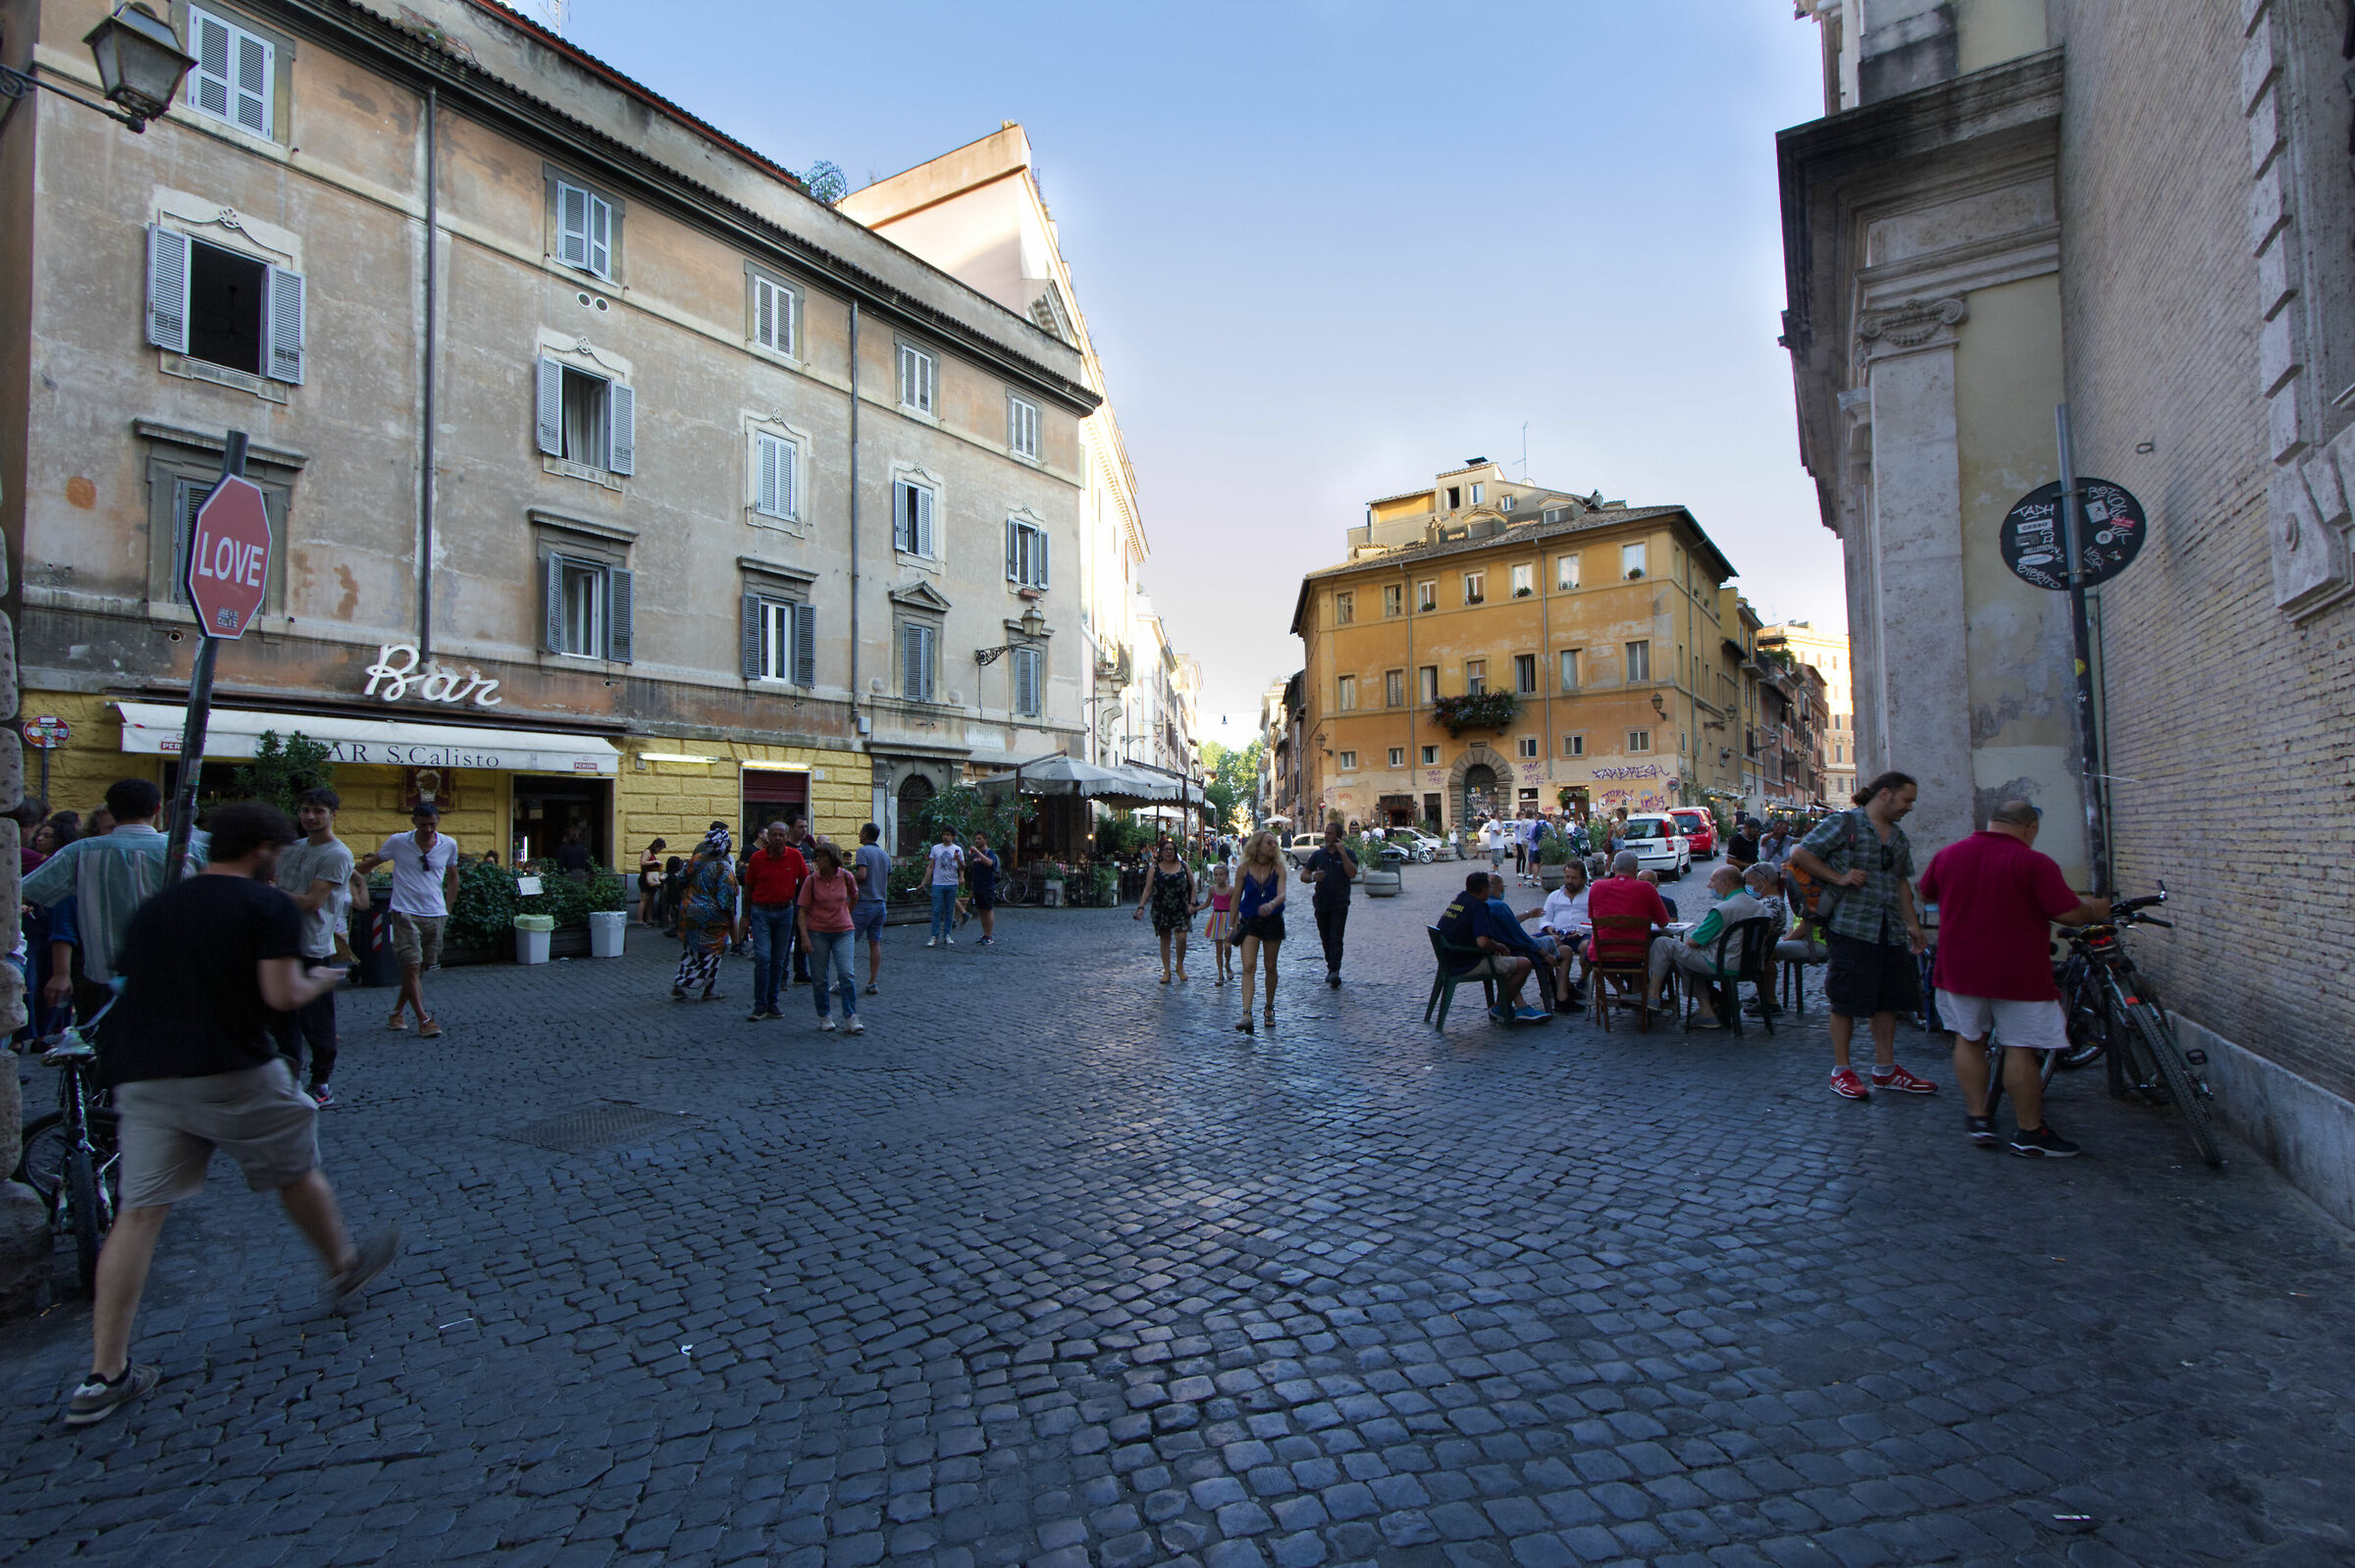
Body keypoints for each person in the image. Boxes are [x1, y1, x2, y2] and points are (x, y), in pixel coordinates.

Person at [65, 802, 398, 1427]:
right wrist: (321, 981)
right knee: (296, 1169)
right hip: (233, 1068)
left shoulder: (161, 905)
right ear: (265, 852)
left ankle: (103, 1371)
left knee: (137, 1216)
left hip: (144, 1073)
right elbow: (280, 994)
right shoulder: (266, 905)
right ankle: (343, 1268)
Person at [1919, 801, 2111, 1157]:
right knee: (2020, 1047)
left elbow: (1928, 892)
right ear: (2029, 828)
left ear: (1992, 823)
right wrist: (2095, 910)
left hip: (1959, 966)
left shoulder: (1949, 855)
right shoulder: (2035, 863)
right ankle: (2029, 1131)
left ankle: (1978, 1118)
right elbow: (2068, 914)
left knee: (1968, 1038)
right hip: (2019, 971)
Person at [1790, 770, 1937, 1101]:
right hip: (1850, 925)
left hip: (1889, 929)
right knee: (1845, 1001)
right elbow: (1801, 853)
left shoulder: (1898, 838)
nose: (1909, 807)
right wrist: (1838, 877)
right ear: (1885, 794)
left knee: (1888, 1001)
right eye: (1906, 800)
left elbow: (1901, 882)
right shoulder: (1845, 824)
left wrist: (1912, 924)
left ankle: (1885, 1070)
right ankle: (1841, 1071)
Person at [26, 779, 207, 1028]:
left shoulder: (79, 853)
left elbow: (27, 891)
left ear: (111, 809)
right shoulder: (190, 852)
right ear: (157, 809)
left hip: (102, 978)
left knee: (103, 1053)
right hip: (174, 977)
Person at [271, 788, 353, 1108]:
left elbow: (310, 902)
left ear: (333, 814)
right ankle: (289, 1080)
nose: (309, 816)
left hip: (312, 945)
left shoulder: (336, 854)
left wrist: (269, 892)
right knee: (282, 1018)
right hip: (282, 942)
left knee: (316, 1022)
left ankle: (321, 1083)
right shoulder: (293, 848)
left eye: (318, 811)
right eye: (305, 810)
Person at [354, 804, 459, 1039]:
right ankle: (424, 1019)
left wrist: (448, 907)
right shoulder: (398, 842)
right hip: (404, 911)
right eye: (423, 825)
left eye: (432, 824)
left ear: (438, 820)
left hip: (435, 913)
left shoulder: (448, 844)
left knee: (418, 968)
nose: (428, 829)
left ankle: (397, 1013)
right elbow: (373, 863)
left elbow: (453, 877)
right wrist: (349, 875)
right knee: (411, 965)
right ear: (414, 822)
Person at [1643, 864, 1769, 1026]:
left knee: (1663, 943)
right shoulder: (1760, 908)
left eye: (1713, 880)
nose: (1709, 885)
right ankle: (1707, 1010)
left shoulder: (1722, 909)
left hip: (1722, 962)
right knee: (1683, 960)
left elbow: (1693, 942)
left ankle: (1653, 994)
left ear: (1726, 883)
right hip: (1750, 964)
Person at [1435, 870, 1544, 1024]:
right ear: (1485, 890)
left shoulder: (1459, 900)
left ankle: (1517, 1005)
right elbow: (1483, 942)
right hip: (1466, 962)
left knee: (1502, 961)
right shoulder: (1480, 907)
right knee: (1524, 964)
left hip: (1448, 958)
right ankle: (1501, 1007)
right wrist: (1500, 947)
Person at [740, 821, 807, 1022]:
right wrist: (746, 915)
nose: (777, 838)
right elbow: (749, 888)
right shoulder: (757, 858)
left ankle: (772, 1002)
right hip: (761, 911)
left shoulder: (795, 856)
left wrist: (802, 907)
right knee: (762, 957)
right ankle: (759, 1004)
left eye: (781, 835)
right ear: (767, 837)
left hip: (785, 911)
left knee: (779, 959)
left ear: (786, 837)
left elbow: (806, 881)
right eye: (774, 835)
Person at [797, 841, 862, 1033]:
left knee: (846, 974)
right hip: (817, 932)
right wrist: (804, 938)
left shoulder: (846, 877)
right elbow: (802, 911)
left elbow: (854, 896)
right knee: (819, 978)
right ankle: (824, 1015)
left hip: (843, 931)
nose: (818, 860)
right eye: (817, 857)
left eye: (822, 857)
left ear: (833, 858)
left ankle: (851, 1016)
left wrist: (847, 913)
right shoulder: (812, 880)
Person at [1487, 874, 1575, 1014]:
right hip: (1515, 949)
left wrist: (1528, 915)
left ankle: (1559, 991)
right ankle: (1562, 994)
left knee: (1561, 947)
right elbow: (1519, 936)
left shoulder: (1484, 904)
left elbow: (1510, 924)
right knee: (1561, 945)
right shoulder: (1499, 906)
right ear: (1500, 887)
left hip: (1503, 948)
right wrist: (1544, 954)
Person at [1231, 831, 1288, 1034]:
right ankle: (1246, 1013)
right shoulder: (1244, 869)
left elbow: (1282, 893)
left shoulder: (1279, 869)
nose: (1273, 845)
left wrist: (1272, 904)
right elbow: (1236, 897)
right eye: (1268, 842)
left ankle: (1269, 1007)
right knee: (1248, 966)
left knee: (1270, 966)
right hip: (1250, 921)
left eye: (1275, 842)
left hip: (1273, 920)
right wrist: (1231, 925)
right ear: (1257, 845)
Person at [668, 830, 736, 1002]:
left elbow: (681, 880)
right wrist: (729, 917)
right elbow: (725, 897)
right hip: (712, 915)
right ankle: (708, 990)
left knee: (691, 949)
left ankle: (680, 983)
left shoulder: (697, 859)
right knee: (712, 952)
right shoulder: (723, 867)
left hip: (690, 909)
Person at [1299, 822, 1358, 988]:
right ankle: (1330, 966)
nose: (1326, 836)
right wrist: (1312, 878)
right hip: (1321, 902)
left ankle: (1335, 970)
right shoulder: (1318, 855)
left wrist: (1343, 854)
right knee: (1325, 937)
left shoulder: (1349, 854)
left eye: (1330, 833)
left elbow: (1352, 873)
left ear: (1338, 836)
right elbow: (1303, 875)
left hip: (1340, 902)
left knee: (1336, 937)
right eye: (1326, 833)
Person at [1133, 839, 1198, 983]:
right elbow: (1148, 889)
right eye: (1166, 849)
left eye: (1171, 849)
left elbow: (1193, 885)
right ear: (1161, 852)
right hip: (1161, 908)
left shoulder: (1183, 866)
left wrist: (1192, 903)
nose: (1169, 852)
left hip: (1181, 907)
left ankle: (1179, 966)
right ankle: (1167, 970)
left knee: (1182, 937)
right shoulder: (1155, 869)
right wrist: (1141, 907)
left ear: (1175, 852)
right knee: (1165, 939)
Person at [852, 823, 891, 995]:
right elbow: (887, 879)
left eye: (861, 832)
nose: (859, 835)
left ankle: (843, 980)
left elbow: (862, 875)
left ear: (866, 834)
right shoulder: (884, 855)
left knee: (847, 942)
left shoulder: (863, 851)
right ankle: (872, 981)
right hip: (880, 903)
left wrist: (848, 880)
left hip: (864, 903)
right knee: (875, 943)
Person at [924, 827, 965, 948]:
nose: (945, 837)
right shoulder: (936, 848)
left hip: (952, 883)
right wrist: (925, 881)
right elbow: (931, 866)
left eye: (948, 835)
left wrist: (960, 867)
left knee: (949, 910)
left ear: (953, 836)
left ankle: (947, 934)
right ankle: (934, 936)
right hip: (938, 883)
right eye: (944, 834)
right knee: (936, 910)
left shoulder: (957, 849)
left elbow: (963, 867)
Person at [1201, 863, 1236, 984]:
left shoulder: (1231, 890)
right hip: (1216, 918)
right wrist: (1195, 909)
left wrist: (1235, 922)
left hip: (1228, 918)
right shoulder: (1212, 889)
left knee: (1227, 946)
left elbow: (1235, 907)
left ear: (1226, 875)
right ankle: (1220, 974)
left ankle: (1227, 964)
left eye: (1221, 874)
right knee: (1218, 948)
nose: (1218, 877)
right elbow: (1207, 903)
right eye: (1216, 875)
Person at [967, 833, 1002, 947]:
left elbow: (989, 863)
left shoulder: (989, 853)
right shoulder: (976, 856)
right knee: (981, 911)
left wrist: (977, 852)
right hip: (978, 886)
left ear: (985, 840)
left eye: (979, 838)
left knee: (988, 910)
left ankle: (989, 935)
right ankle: (985, 934)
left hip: (987, 886)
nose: (976, 840)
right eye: (975, 838)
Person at [636, 838, 667, 923]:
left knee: (650, 900)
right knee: (644, 899)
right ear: (655, 846)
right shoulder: (647, 852)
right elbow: (642, 862)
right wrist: (654, 862)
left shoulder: (652, 854)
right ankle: (640, 920)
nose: (659, 851)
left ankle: (649, 919)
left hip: (651, 878)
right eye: (659, 848)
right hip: (645, 878)